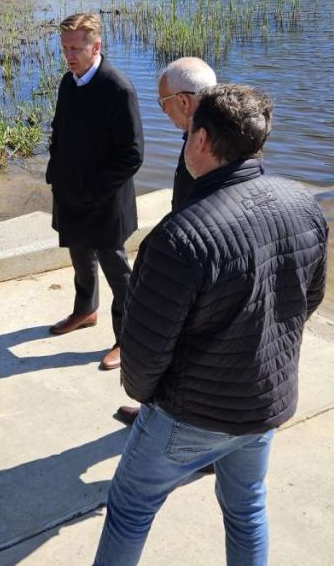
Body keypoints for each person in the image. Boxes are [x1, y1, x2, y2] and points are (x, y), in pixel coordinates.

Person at [94, 84, 329, 566]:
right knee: (247, 510)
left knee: (129, 509)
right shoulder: (304, 204)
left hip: (190, 414)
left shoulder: (180, 237)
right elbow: (308, 300)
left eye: (187, 137)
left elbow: (144, 350)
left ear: (200, 141)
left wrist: (148, 399)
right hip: (264, 403)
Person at [115, 56, 217, 426]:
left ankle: (186, 430)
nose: (163, 112)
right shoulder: (212, 131)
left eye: (164, 104)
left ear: (185, 102)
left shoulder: (209, 145)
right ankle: (159, 411)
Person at [45, 13, 143, 372]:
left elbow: (132, 155)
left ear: (96, 46)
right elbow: (60, 130)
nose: (70, 55)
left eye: (77, 48)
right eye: (65, 48)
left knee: (117, 271)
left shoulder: (117, 88)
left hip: (105, 201)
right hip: (71, 193)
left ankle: (129, 340)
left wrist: (94, 190)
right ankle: (85, 310)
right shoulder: (68, 83)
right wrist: (56, 173)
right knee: (79, 258)